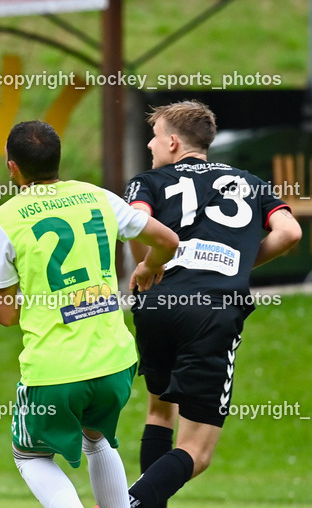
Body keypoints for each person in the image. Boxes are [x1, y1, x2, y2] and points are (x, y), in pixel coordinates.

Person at [0, 121, 179, 508]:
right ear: (59, 159)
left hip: (55, 370)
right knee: (98, 437)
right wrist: (148, 266)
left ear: (12, 167)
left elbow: (6, 315)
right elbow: (168, 240)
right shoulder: (98, 197)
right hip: (116, 363)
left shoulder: (4, 220)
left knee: (29, 454)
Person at [122, 101, 301, 507]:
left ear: (171, 141)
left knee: (158, 411)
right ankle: (126, 503)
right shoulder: (249, 182)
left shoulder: (148, 181)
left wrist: (150, 264)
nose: (150, 145)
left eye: (154, 137)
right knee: (197, 452)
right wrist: (235, 262)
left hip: (158, 302)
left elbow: (134, 222)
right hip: (212, 309)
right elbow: (289, 233)